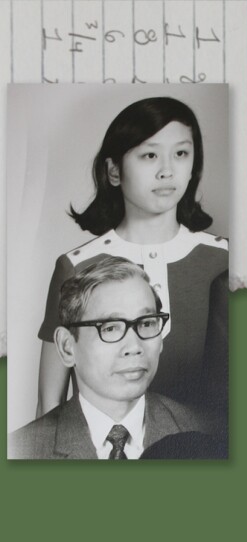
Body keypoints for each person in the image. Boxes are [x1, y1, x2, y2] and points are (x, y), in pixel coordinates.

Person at [37, 97, 228, 424]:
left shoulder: (225, 260)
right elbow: (49, 406)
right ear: (114, 170)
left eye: (181, 153)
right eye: (150, 155)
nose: (167, 170)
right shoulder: (76, 265)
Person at [10, 257, 216, 460]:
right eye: (109, 328)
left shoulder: (211, 436)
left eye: (146, 323)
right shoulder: (19, 451)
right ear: (67, 347)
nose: (134, 347)